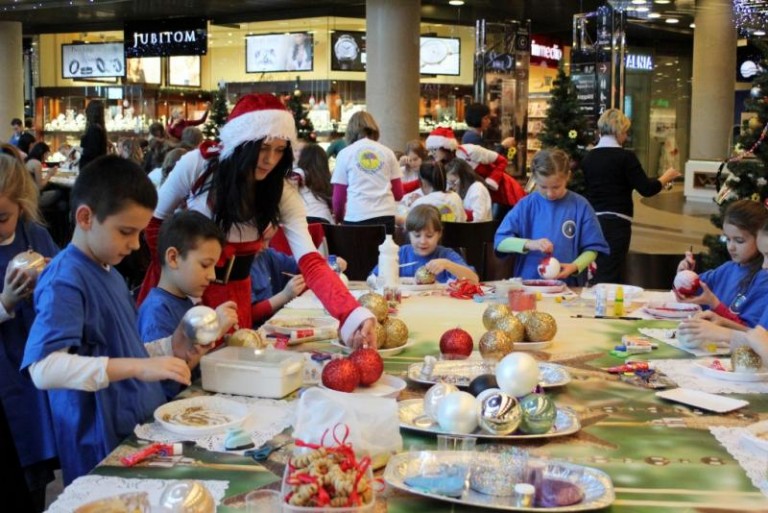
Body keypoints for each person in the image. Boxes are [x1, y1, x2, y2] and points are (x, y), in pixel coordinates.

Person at [21, 155, 209, 485]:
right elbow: (44, 369)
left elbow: (119, 345)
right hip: (98, 442)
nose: (135, 244)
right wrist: (140, 368)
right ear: (85, 218)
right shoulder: (65, 278)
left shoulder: (108, 269)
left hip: (129, 426)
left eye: (138, 232)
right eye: (126, 231)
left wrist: (168, 346)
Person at [139, 93, 375, 348]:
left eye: (279, 150)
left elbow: (310, 261)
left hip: (239, 299)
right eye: (262, 148)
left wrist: (351, 314)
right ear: (242, 142)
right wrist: (174, 280)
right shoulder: (198, 165)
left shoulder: (281, 189)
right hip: (185, 299)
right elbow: (153, 222)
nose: (270, 160)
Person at [0, 154, 59, 511]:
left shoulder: (34, 236)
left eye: (2, 218)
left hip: (29, 366)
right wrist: (5, 302)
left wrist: (52, 280)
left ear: (22, 206)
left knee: (32, 469)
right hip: (4, 372)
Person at [581, 108, 681, 283]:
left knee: (596, 269)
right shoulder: (625, 157)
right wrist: (666, 177)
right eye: (625, 132)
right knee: (612, 271)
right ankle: (608, 308)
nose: (626, 137)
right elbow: (646, 189)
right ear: (618, 131)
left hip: (593, 220)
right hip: (617, 222)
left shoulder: (588, 158)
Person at [494, 148, 609, 285]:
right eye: (543, 187)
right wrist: (530, 244)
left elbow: (593, 249)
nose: (549, 193)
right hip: (529, 284)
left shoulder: (580, 206)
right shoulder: (526, 205)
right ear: (534, 178)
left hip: (568, 286)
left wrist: (575, 266)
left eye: (556, 187)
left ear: (568, 177)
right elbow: (500, 242)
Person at [674, 199, 768, 327]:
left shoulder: (763, 280)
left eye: (739, 240)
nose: (731, 247)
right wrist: (684, 277)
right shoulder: (727, 269)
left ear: (760, 239)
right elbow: (688, 294)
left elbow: (751, 333)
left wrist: (714, 303)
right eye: (727, 239)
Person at [331, 111, 404, 234]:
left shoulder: (345, 154)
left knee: (356, 254)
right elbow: (398, 193)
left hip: (355, 217)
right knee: (384, 253)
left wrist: (339, 219)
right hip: (385, 216)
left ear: (350, 131)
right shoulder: (388, 152)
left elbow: (339, 197)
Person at [370, 204, 478, 284]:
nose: (422, 241)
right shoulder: (399, 253)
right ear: (409, 233)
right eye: (417, 236)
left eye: (429, 236)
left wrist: (448, 265)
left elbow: (474, 280)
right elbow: (373, 278)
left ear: (439, 234)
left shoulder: (445, 255)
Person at [455, 143, 525, 219]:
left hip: (502, 189)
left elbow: (502, 161)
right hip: (483, 192)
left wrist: (492, 180)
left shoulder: (471, 151)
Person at [399, 161, 466, 224]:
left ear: (423, 182)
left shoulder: (419, 204)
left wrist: (416, 203)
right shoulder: (456, 197)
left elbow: (411, 227)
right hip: (458, 236)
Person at [291, 143, 333, 224]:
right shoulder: (327, 178)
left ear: (303, 158)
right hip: (325, 220)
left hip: (304, 220)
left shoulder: (300, 172)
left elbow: (287, 186)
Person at [445, 158, 493, 222]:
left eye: (453, 182)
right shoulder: (459, 190)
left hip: (477, 230)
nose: (452, 186)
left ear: (464, 178)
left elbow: (479, 218)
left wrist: (457, 213)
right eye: (449, 183)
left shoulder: (477, 188)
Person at [79, 100, 108, 170]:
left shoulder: (93, 129)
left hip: (90, 169)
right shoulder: (100, 128)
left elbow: (92, 152)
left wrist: (80, 150)